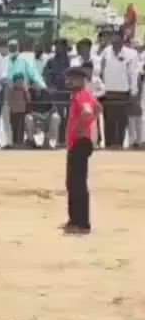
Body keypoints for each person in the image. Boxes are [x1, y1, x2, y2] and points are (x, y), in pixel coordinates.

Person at [63, 65, 99, 234]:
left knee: (76, 183)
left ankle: (81, 222)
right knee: (75, 182)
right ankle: (76, 220)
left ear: (80, 80)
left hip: (79, 143)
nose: (68, 81)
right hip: (80, 143)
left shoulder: (80, 95)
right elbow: (98, 108)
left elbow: (87, 112)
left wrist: (80, 127)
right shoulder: (83, 95)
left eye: (72, 78)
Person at [96, 30, 138, 148]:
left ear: (122, 39)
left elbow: (133, 74)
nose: (114, 41)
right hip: (107, 92)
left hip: (123, 92)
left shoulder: (131, 54)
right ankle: (109, 144)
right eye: (113, 39)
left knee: (121, 121)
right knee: (108, 120)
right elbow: (100, 71)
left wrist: (133, 92)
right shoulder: (106, 52)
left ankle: (119, 144)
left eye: (117, 38)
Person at [2, 39, 44, 147]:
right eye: (10, 46)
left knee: (19, 119)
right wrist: (5, 81)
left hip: (21, 95)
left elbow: (32, 74)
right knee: (7, 119)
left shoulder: (24, 61)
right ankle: (9, 142)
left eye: (14, 46)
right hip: (8, 94)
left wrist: (42, 86)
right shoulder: (4, 60)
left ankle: (19, 143)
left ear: (18, 47)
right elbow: (0, 75)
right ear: (8, 47)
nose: (12, 48)